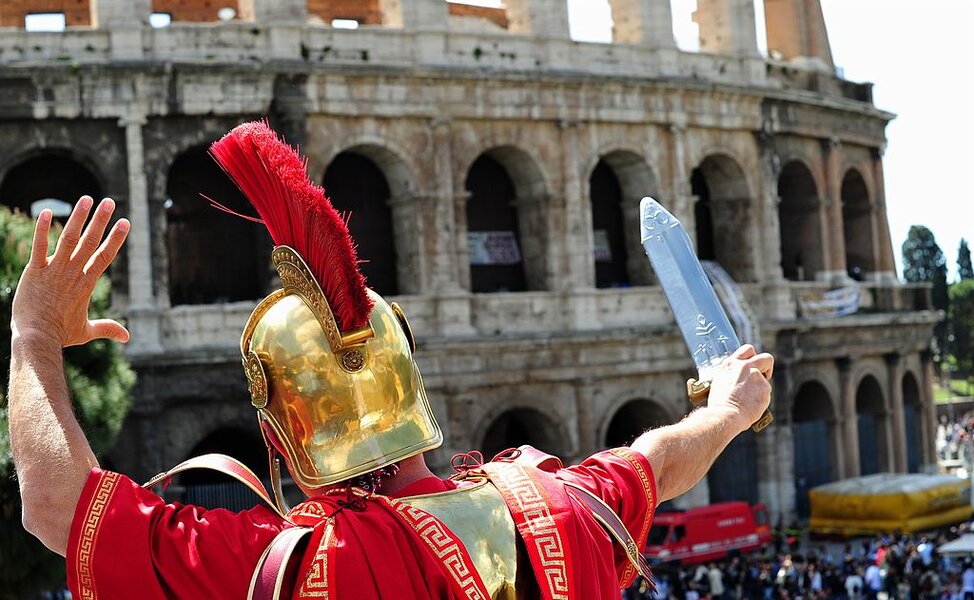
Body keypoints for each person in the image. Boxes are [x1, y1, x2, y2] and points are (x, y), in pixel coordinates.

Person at [9, 122, 774, 599]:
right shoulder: (566, 504)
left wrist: (35, 337)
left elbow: (54, 506)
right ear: (409, 385)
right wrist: (727, 413)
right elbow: (657, 460)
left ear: (282, 439)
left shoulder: (290, 566)